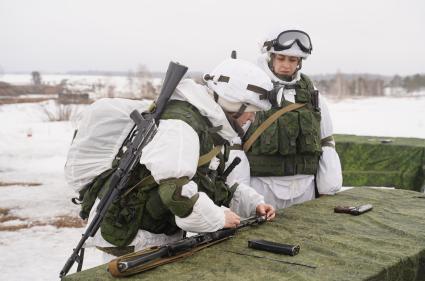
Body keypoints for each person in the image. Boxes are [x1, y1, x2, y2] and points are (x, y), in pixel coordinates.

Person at [80, 58, 276, 261]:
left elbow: (209, 182)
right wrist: (218, 218)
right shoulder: (180, 127)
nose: (252, 119)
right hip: (135, 239)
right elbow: (176, 192)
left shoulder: (207, 124)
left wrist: (252, 205)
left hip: (157, 236)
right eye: (252, 111)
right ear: (235, 103)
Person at [243, 28, 343, 209]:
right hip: (261, 189)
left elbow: (326, 140)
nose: (286, 65)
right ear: (270, 57)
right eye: (281, 58)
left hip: (305, 188)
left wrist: (329, 185)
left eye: (292, 60)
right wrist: (241, 193)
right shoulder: (250, 88)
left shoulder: (310, 91)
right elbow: (234, 143)